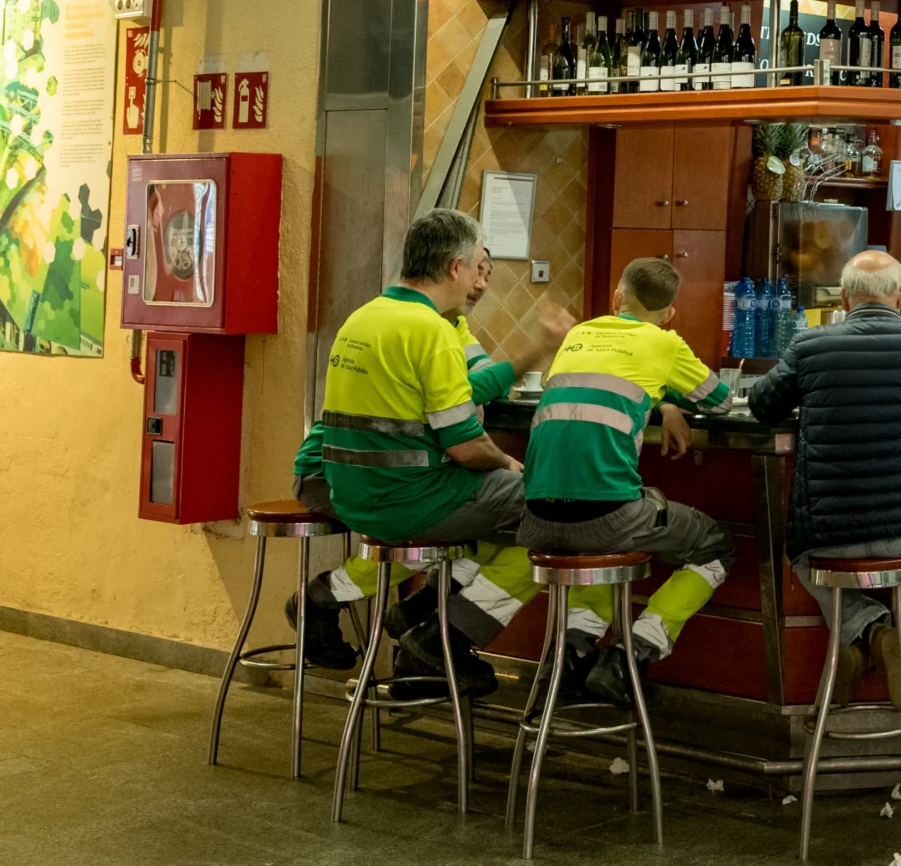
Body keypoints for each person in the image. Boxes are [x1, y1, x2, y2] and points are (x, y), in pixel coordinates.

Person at [287, 247, 566, 672]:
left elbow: (475, 383)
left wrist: (536, 352)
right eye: (477, 271)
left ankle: (428, 621)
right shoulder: (424, 328)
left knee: (492, 523)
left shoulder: (448, 326)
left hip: (368, 478)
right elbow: (465, 429)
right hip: (338, 476)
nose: (481, 283)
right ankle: (437, 632)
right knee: (549, 514)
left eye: (489, 275)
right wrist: (503, 457)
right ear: (454, 270)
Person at [751, 250, 901, 709]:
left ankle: (863, 639)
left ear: (843, 298)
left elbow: (763, 407)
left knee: (801, 560)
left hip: (828, 535)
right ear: (900, 296)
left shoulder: (810, 345)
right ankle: (892, 644)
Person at [519, 256, 737, 703]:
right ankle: (629, 656)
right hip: (607, 517)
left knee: (604, 543)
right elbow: (719, 400)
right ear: (670, 313)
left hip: (535, 517)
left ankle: (572, 657)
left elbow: (599, 383)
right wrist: (670, 399)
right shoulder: (665, 343)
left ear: (618, 296)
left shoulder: (578, 335)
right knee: (716, 544)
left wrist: (663, 402)